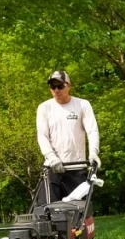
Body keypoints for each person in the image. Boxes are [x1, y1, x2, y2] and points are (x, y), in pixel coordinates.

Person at [36, 70, 100, 204]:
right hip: (52, 168)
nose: (56, 90)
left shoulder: (82, 105)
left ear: (68, 85)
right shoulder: (44, 108)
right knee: (48, 211)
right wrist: (52, 157)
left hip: (77, 167)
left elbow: (92, 130)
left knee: (81, 212)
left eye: (60, 86)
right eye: (52, 87)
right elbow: (42, 136)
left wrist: (93, 152)